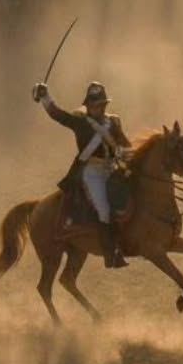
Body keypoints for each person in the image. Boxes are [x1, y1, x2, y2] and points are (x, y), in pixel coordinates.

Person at [33, 79, 130, 268]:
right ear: (89, 106)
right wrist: (44, 96)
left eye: (102, 105)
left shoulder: (113, 122)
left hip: (112, 169)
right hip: (91, 172)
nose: (99, 109)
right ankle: (111, 254)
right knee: (103, 210)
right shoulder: (80, 122)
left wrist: (123, 154)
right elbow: (57, 114)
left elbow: (125, 145)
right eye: (96, 105)